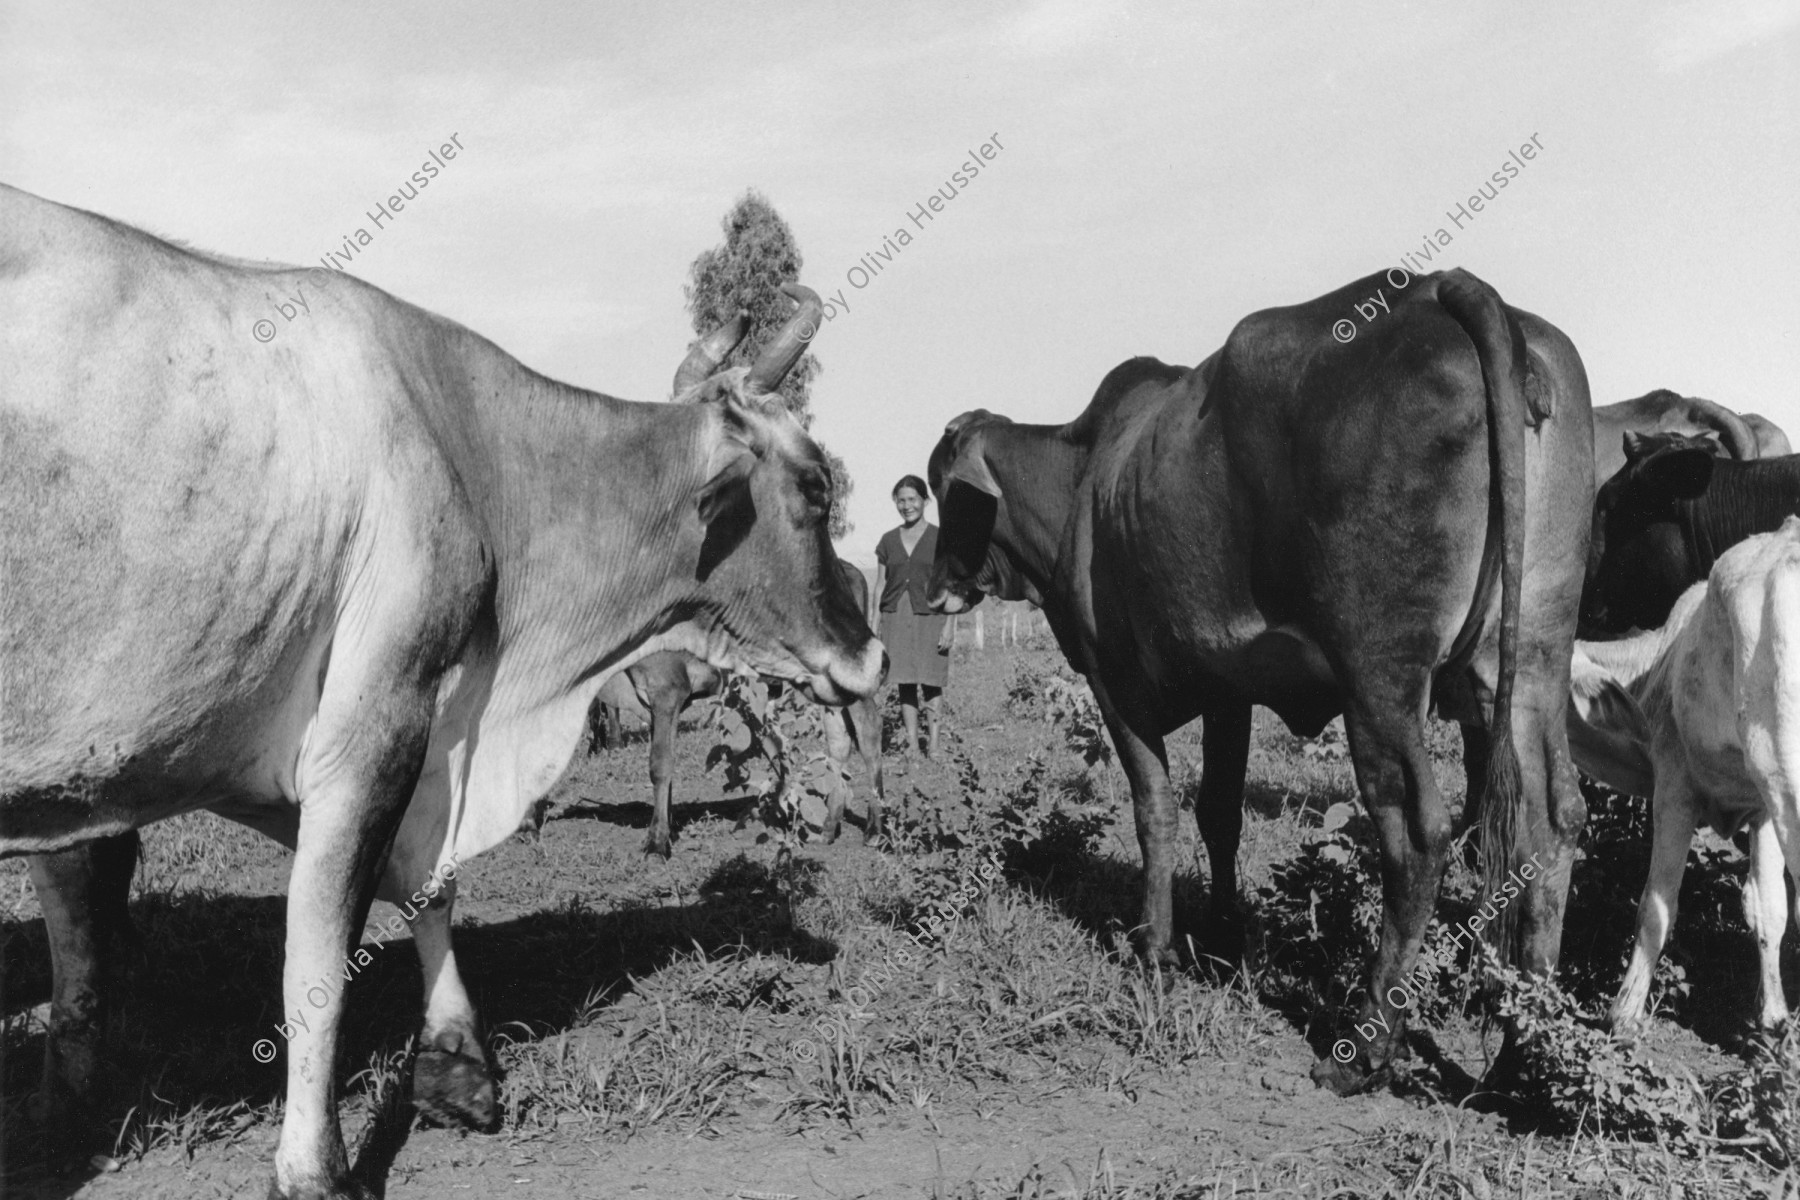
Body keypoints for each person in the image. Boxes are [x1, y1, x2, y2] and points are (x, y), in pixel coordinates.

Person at [869, 475, 955, 763]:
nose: (907, 506)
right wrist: (873, 624)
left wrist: (950, 624)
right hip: (896, 615)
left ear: (925, 501)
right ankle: (912, 747)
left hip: (932, 615)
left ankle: (934, 746)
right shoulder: (888, 541)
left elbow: (952, 583)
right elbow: (880, 585)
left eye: (912, 499)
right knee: (904, 680)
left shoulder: (941, 538)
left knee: (931, 679)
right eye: (901, 500)